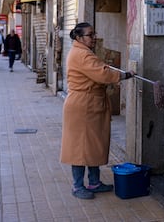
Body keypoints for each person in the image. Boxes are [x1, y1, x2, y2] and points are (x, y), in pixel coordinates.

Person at [60, 22, 135, 200]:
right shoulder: (81, 54)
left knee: (92, 146)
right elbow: (102, 74)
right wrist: (125, 75)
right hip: (82, 106)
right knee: (79, 148)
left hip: (90, 105)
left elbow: (100, 71)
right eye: (90, 35)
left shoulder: (84, 52)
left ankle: (94, 182)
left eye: (94, 34)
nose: (94, 38)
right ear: (79, 37)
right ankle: (78, 186)